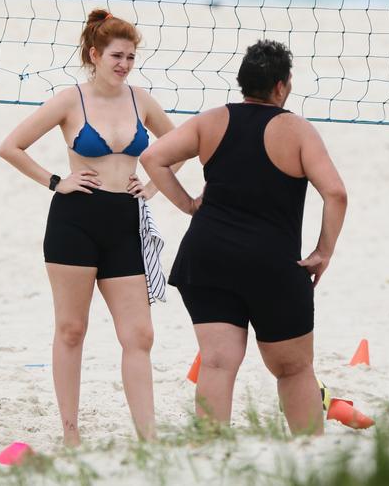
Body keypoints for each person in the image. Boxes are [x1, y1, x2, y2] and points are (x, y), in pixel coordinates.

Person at [141, 39, 347, 435]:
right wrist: (324, 250)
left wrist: (187, 204)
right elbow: (335, 193)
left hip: (208, 256)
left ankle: (211, 454)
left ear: (243, 83)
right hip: (270, 264)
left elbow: (153, 158)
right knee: (293, 368)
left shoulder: (211, 120)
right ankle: (310, 454)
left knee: (217, 361)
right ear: (282, 86)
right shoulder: (297, 129)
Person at [0, 9, 177, 445]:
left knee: (140, 334)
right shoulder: (69, 100)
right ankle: (71, 433)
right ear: (94, 54)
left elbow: (179, 146)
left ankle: (148, 438)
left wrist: (152, 187)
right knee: (72, 329)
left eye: (131, 57)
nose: (125, 64)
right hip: (74, 220)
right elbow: (10, 146)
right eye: (117, 55)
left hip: (124, 221)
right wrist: (57, 182)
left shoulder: (141, 99)